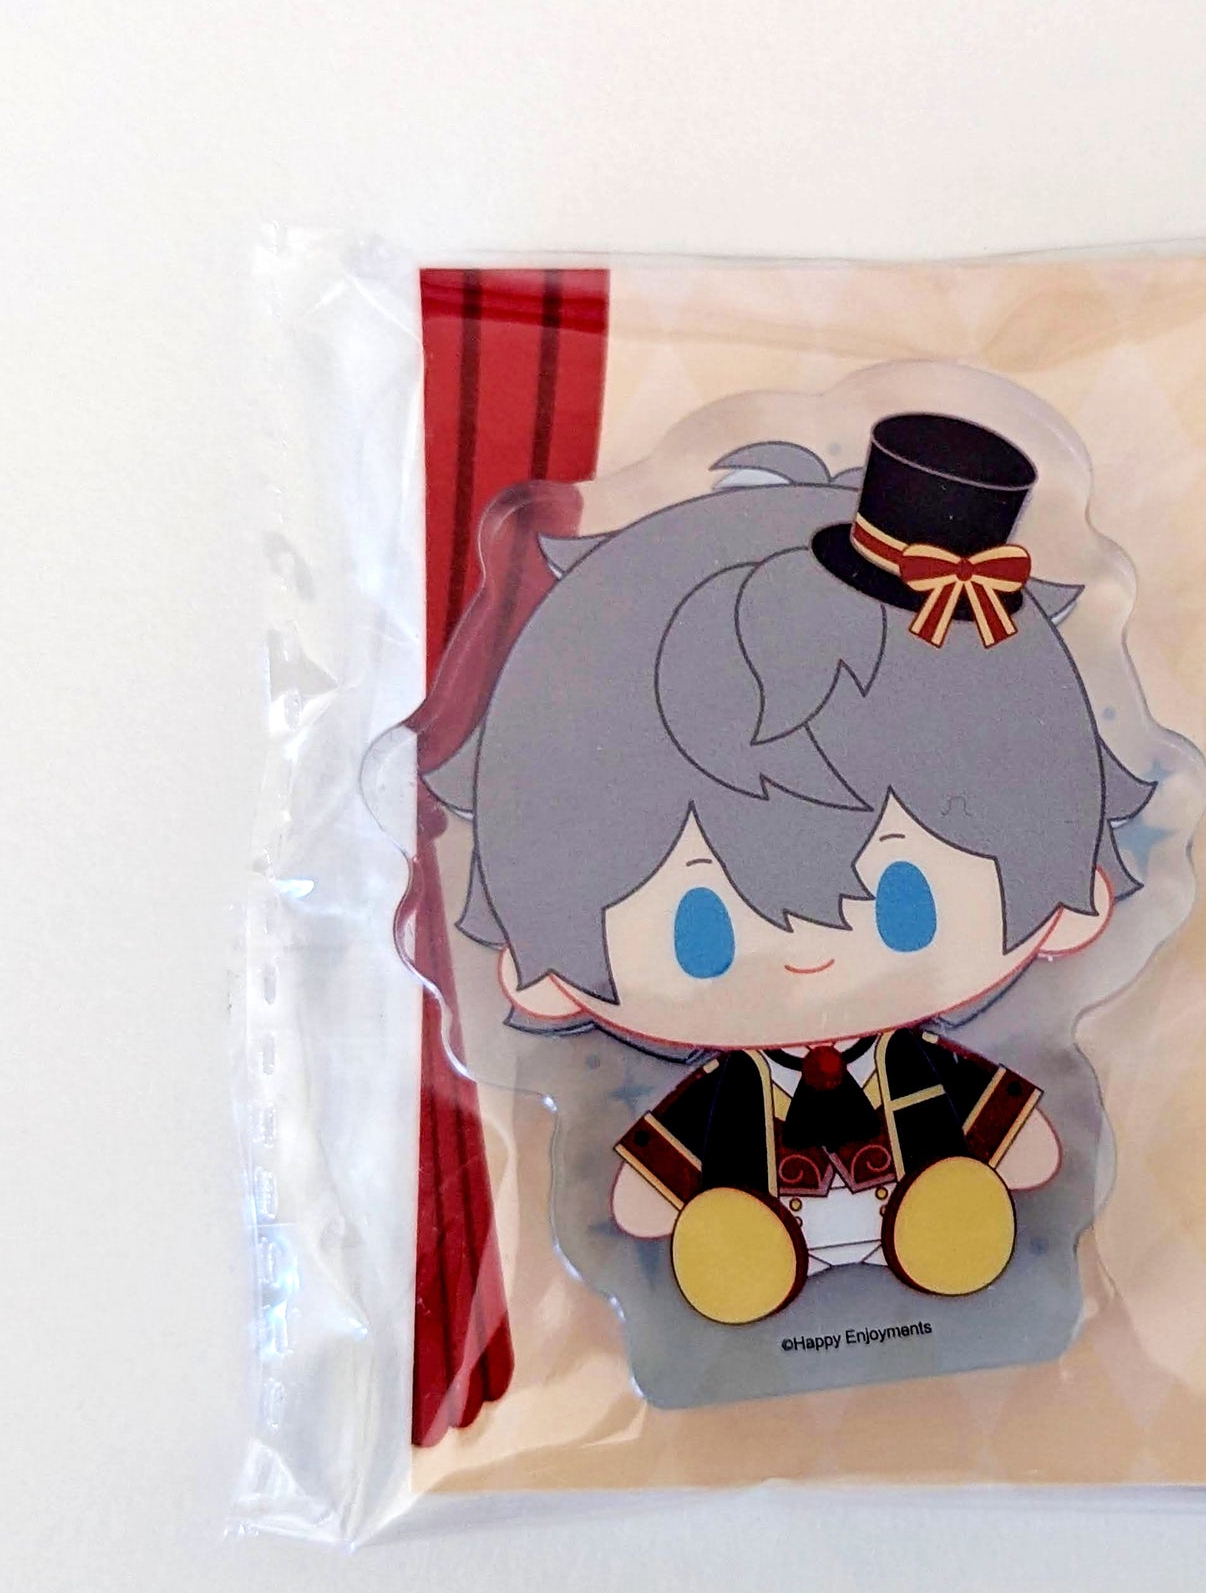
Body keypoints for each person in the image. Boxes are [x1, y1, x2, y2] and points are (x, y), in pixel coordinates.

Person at [426, 411, 1150, 1325]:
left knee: (943, 1193)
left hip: (925, 1198)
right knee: (737, 1220)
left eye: (905, 903)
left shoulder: (914, 1064)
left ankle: (938, 1224)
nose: (809, 953)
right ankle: (749, 1251)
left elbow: (1013, 1133)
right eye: (701, 928)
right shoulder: (727, 1091)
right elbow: (653, 1183)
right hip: (757, 1224)